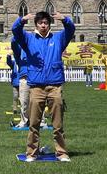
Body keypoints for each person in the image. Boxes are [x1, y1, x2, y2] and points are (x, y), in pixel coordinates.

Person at [12, 10, 75, 163]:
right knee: (33, 124)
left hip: (55, 86)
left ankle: (61, 153)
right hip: (36, 87)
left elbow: (71, 29)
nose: (43, 26)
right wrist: (21, 20)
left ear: (49, 25)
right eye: (40, 23)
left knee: (58, 124)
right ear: (36, 25)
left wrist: (65, 19)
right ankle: (32, 154)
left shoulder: (59, 38)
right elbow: (15, 31)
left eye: (46, 23)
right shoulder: (28, 39)